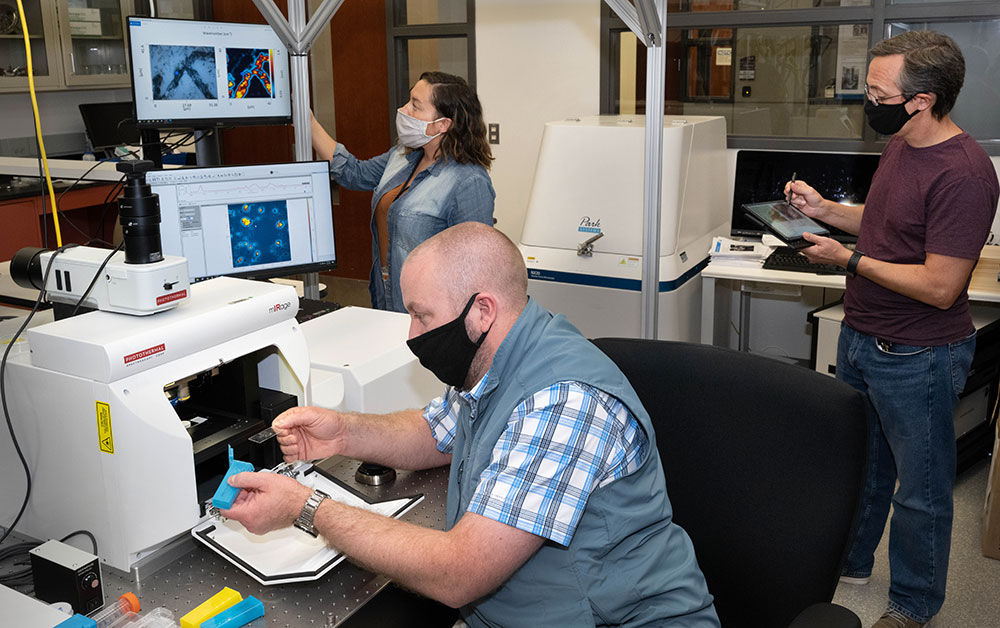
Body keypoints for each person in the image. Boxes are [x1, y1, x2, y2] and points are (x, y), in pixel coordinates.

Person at [221, 222, 720, 627]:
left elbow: (460, 572)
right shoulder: (500, 358)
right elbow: (437, 432)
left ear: (482, 310)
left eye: (421, 315)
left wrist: (307, 508)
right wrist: (344, 433)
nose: (412, 334)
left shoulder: (561, 402)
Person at [786, 31, 999, 628]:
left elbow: (940, 286)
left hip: (918, 354)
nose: (866, 101)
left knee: (920, 492)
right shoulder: (902, 145)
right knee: (865, 465)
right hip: (862, 335)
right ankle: (853, 562)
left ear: (922, 99)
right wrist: (824, 210)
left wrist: (847, 260)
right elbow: (882, 222)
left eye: (876, 92)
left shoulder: (965, 174)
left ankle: (912, 604)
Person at [311, 71, 495, 312]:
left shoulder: (469, 182)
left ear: (443, 124)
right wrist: (308, 121)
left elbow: (474, 269)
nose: (404, 110)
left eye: (415, 106)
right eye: (409, 101)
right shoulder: (402, 156)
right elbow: (353, 173)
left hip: (431, 308)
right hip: (386, 289)